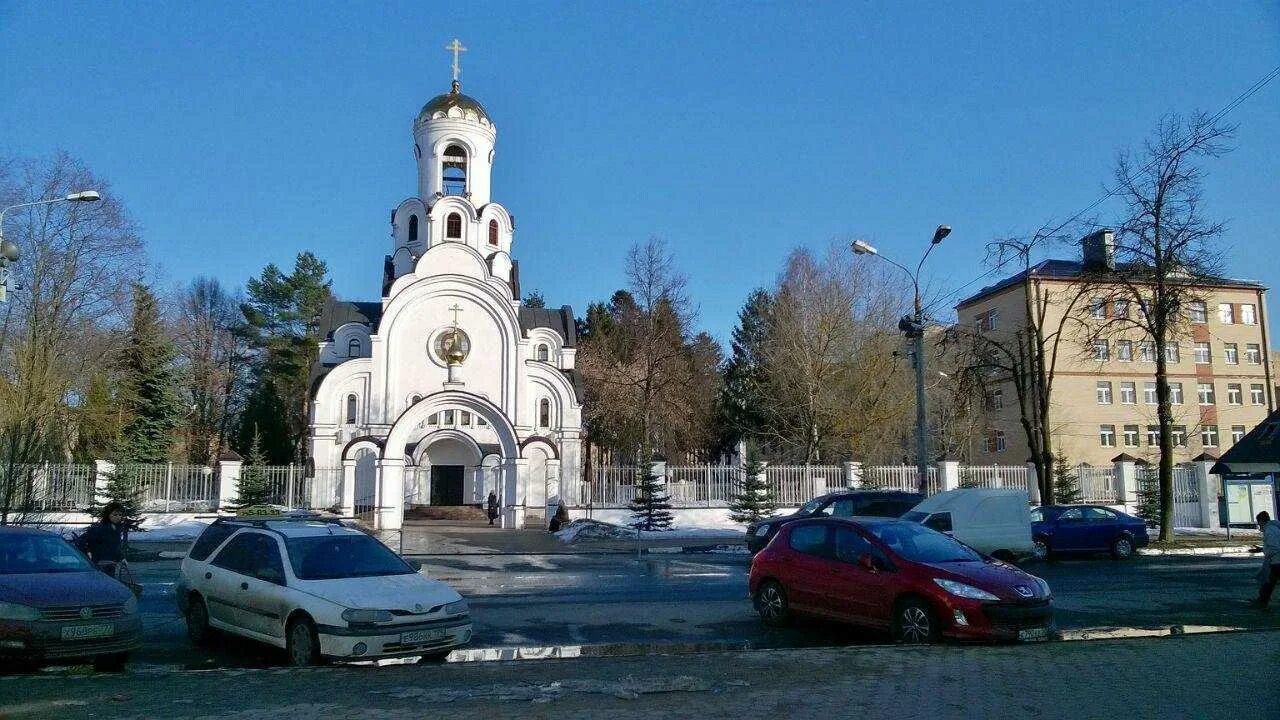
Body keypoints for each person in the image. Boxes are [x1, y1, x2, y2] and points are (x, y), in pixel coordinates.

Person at [76, 502, 132, 572]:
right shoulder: (99, 528)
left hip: (111, 565)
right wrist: (88, 555)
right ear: (108, 515)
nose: (118, 517)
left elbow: (114, 547)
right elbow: (80, 541)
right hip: (99, 566)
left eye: (120, 515)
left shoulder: (116, 529)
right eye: (115, 514)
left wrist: (121, 558)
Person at [1251, 510, 1280, 610]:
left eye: (1259, 523)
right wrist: (1260, 549)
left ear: (1262, 521)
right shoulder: (1274, 527)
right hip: (1276, 560)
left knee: (1269, 581)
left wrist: (1267, 555)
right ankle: (1262, 600)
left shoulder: (1270, 530)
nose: (1259, 527)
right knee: (1270, 581)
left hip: (1277, 561)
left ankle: (1262, 600)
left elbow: (1274, 547)